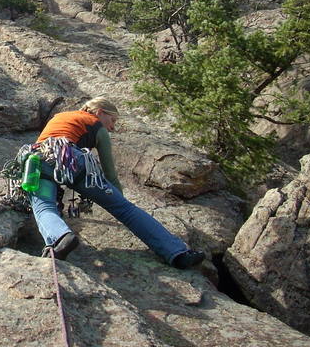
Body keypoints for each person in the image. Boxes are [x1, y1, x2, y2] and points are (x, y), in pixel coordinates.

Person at [27, 97, 205, 268]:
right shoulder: (95, 125)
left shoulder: (60, 117)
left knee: (44, 206)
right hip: (73, 159)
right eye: (112, 120)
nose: (112, 127)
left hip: (37, 160)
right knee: (126, 209)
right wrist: (119, 201)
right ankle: (177, 253)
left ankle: (59, 237)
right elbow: (110, 173)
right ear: (99, 112)